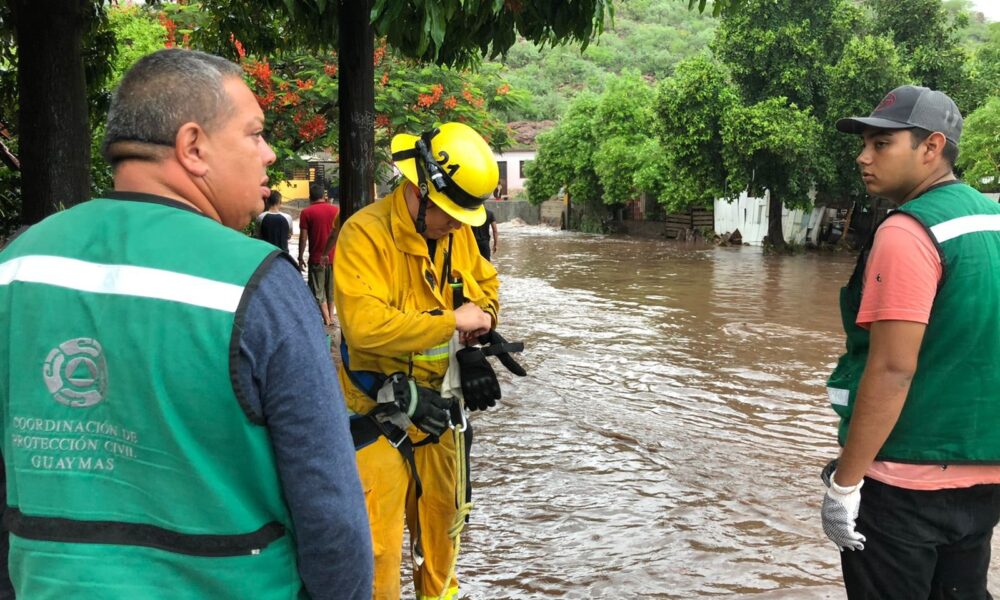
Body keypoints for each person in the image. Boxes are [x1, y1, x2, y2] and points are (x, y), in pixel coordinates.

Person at [0, 48, 372, 599]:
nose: (269, 154)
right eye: (254, 133)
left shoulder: (17, 266)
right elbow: (331, 512)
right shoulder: (259, 284)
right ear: (193, 147)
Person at [823, 85, 1000, 598]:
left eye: (882, 143)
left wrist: (845, 485)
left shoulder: (907, 233)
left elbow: (891, 369)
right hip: (984, 476)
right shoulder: (991, 221)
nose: (863, 156)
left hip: (905, 481)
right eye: (864, 143)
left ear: (931, 147)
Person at [335, 122, 524, 600]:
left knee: (444, 532)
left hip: (440, 413)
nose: (459, 224)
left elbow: (486, 288)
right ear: (420, 188)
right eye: (449, 213)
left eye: (465, 215)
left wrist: (476, 338)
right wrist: (449, 321)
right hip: (375, 415)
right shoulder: (364, 235)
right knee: (377, 552)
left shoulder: (455, 236)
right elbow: (364, 326)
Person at [298, 182, 339, 326]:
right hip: (334, 257)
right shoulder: (335, 211)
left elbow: (303, 237)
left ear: (310, 197)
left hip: (316, 258)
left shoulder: (306, 213)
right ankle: (332, 318)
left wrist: (300, 256)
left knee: (318, 290)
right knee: (331, 289)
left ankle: (327, 318)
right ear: (324, 196)